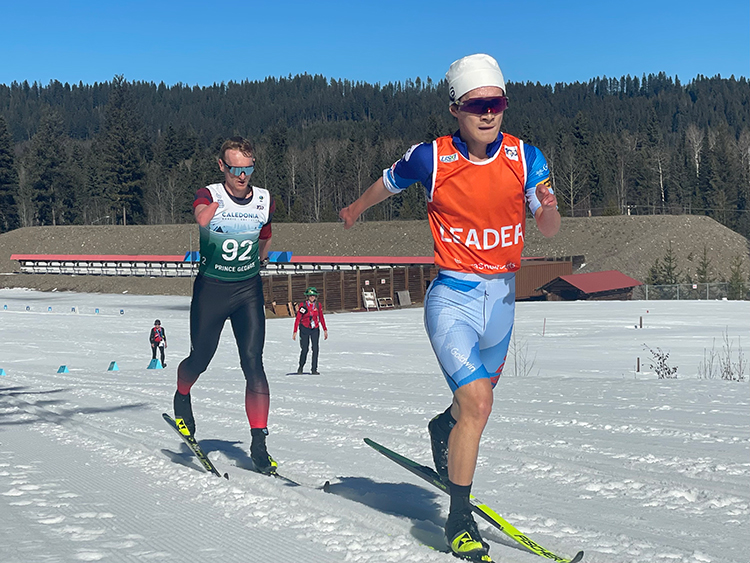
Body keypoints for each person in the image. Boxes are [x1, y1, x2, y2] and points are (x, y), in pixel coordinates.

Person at [339, 54, 560, 561]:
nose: (488, 113)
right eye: (476, 105)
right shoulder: (432, 158)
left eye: (496, 103)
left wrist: (547, 212)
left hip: (502, 304)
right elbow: (387, 182)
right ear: (456, 109)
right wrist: (354, 209)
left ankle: (444, 426)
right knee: (480, 405)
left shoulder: (527, 157)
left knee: (469, 411)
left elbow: (547, 223)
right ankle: (458, 519)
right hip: (452, 300)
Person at [172, 136, 278, 474]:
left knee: (254, 364)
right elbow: (201, 217)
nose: (242, 175)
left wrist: (257, 264)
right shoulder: (210, 194)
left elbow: (265, 235)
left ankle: (259, 444)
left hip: (247, 290)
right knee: (200, 359)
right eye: (235, 169)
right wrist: (209, 214)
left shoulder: (263, 199)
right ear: (222, 166)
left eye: (248, 169)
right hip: (212, 291)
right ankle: (182, 393)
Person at [292, 287, 328, 374]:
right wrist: (295, 331)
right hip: (304, 328)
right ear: (307, 297)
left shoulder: (318, 305)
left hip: (314, 329)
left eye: (313, 296)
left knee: (315, 348)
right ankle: (301, 367)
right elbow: (298, 318)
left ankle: (314, 369)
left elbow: (321, 317)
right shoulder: (303, 305)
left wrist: (325, 329)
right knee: (305, 349)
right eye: (310, 296)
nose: (312, 297)